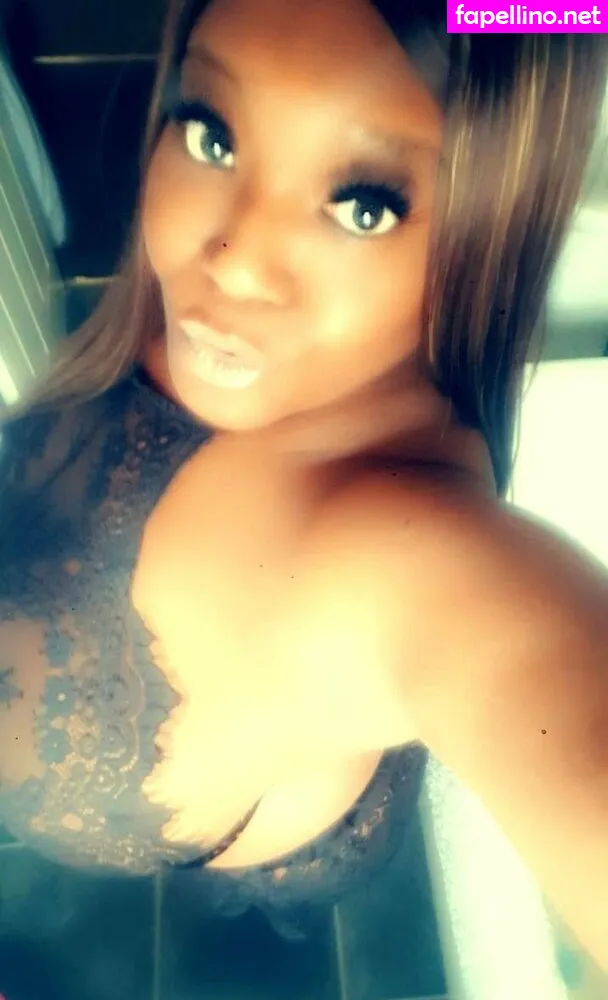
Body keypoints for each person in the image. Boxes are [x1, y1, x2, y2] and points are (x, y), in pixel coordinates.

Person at [1, 0, 607, 958]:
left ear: (491, 225)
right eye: (212, 135)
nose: (235, 265)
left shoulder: (422, 565)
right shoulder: (209, 333)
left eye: (362, 205)